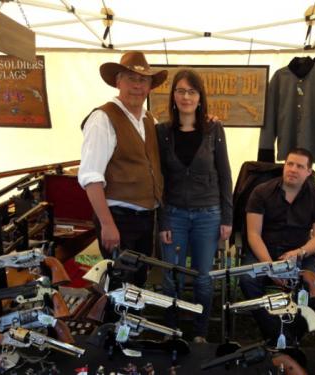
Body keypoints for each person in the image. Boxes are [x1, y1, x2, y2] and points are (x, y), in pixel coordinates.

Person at [78, 51, 167, 287]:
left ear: (149, 86)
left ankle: (130, 323)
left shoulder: (150, 120)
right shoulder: (102, 118)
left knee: (137, 282)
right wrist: (107, 224)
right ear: (118, 81)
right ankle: (111, 324)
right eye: (131, 79)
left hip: (146, 219)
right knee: (119, 285)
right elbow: (91, 178)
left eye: (143, 80)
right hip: (118, 219)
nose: (137, 86)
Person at [156, 69, 233, 343]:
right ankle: (171, 331)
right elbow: (159, 180)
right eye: (180, 91)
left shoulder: (214, 130)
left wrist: (227, 217)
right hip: (174, 214)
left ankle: (200, 332)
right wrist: (163, 220)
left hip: (208, 216)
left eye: (192, 91)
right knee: (171, 278)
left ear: (200, 97)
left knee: (203, 278)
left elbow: (225, 174)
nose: (186, 96)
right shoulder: (161, 132)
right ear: (173, 96)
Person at [239, 147, 315, 342]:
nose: (293, 169)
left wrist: (299, 252)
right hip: (263, 252)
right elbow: (253, 235)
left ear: (309, 172)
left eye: (300, 166)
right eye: (290, 164)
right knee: (247, 280)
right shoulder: (261, 191)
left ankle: (291, 333)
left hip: (299, 255)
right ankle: (276, 334)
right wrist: (270, 266)